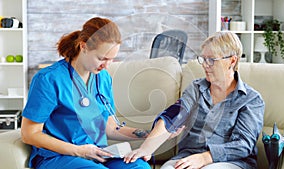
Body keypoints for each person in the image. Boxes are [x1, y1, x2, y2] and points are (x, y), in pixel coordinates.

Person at [21, 17, 151, 169]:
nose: (106, 65)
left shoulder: (103, 78)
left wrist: (150, 134)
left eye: (112, 59)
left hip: (98, 154)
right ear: (84, 47)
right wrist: (79, 151)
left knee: (139, 167)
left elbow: (109, 128)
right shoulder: (48, 79)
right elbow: (29, 133)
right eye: (101, 58)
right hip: (59, 156)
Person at [124, 31, 265, 169]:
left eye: (211, 60)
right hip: (188, 156)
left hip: (232, 162)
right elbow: (172, 117)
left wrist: (204, 158)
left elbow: (242, 145)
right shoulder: (196, 89)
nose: (204, 65)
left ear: (232, 61)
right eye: (203, 59)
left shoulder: (251, 100)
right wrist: (145, 149)